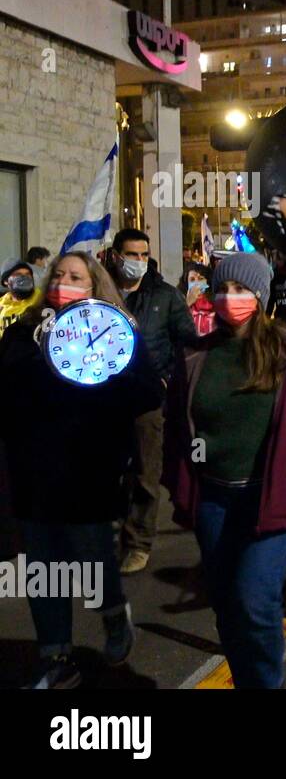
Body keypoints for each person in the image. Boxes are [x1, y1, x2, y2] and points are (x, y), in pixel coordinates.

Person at [162, 252, 286, 688]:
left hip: (268, 501)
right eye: (222, 288)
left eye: (241, 289)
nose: (229, 297)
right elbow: (175, 423)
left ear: (260, 296)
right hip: (214, 503)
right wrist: (181, 481)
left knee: (255, 603)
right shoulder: (197, 355)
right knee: (225, 605)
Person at [0, 252, 163, 688]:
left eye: (75, 277)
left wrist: (112, 373)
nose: (63, 283)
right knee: (43, 568)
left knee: (91, 556)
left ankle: (112, 615)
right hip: (33, 472)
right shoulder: (23, 332)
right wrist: (36, 353)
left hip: (89, 471)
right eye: (57, 275)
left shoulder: (115, 330)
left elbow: (149, 391)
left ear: (94, 287)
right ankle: (57, 657)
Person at [110, 228, 199, 575]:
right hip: (105, 398)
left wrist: (167, 378)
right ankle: (111, 534)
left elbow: (188, 344)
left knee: (146, 473)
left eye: (143, 255)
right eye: (131, 255)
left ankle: (139, 542)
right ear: (116, 256)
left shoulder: (165, 297)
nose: (138, 262)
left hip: (148, 398)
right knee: (110, 471)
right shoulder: (102, 294)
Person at [1, 259, 41, 334]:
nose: (24, 277)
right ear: (6, 281)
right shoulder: (2, 304)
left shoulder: (41, 300)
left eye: (28, 274)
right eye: (18, 274)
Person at [180, 261, 217, 337]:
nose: (196, 283)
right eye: (192, 280)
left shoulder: (217, 304)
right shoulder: (178, 303)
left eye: (200, 279)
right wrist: (188, 303)